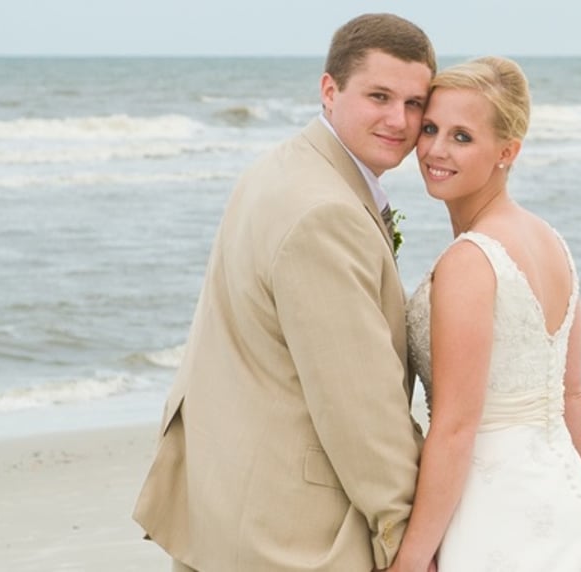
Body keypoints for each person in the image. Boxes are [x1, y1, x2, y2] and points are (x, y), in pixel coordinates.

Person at [132, 13, 435, 572]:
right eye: (379, 96)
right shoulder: (325, 213)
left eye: (415, 103)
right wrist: (404, 534)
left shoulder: (278, 168)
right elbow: (358, 404)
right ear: (330, 90)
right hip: (292, 533)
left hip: (222, 502)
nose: (399, 120)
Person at [391, 56, 581, 571]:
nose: (435, 149)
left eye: (462, 136)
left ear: (508, 152)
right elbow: (572, 397)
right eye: (431, 128)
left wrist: (409, 562)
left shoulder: (469, 260)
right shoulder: (551, 242)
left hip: (495, 514)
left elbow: (456, 426)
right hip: (569, 507)